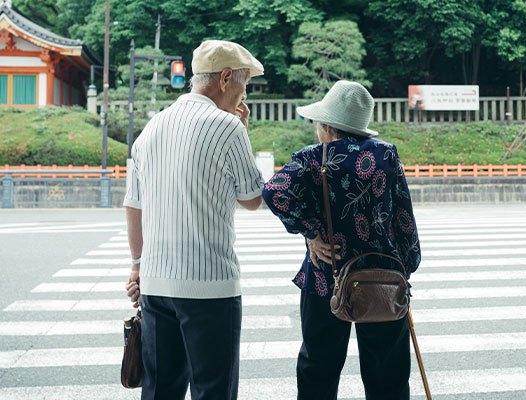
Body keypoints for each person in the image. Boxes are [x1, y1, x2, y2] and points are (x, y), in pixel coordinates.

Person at [123, 40, 265, 400]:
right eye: (243, 85)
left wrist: (137, 265)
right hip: (209, 286)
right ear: (225, 78)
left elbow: (133, 204)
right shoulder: (228, 127)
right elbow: (252, 199)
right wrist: (242, 131)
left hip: (156, 283)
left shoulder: (151, 128)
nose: (242, 95)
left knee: (160, 389)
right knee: (212, 389)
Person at [262, 80, 421, 399]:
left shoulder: (312, 158)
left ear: (327, 127)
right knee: (387, 376)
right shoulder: (386, 154)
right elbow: (403, 214)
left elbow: (274, 192)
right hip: (383, 280)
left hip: (327, 277)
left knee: (318, 369)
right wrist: (407, 264)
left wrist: (310, 231)